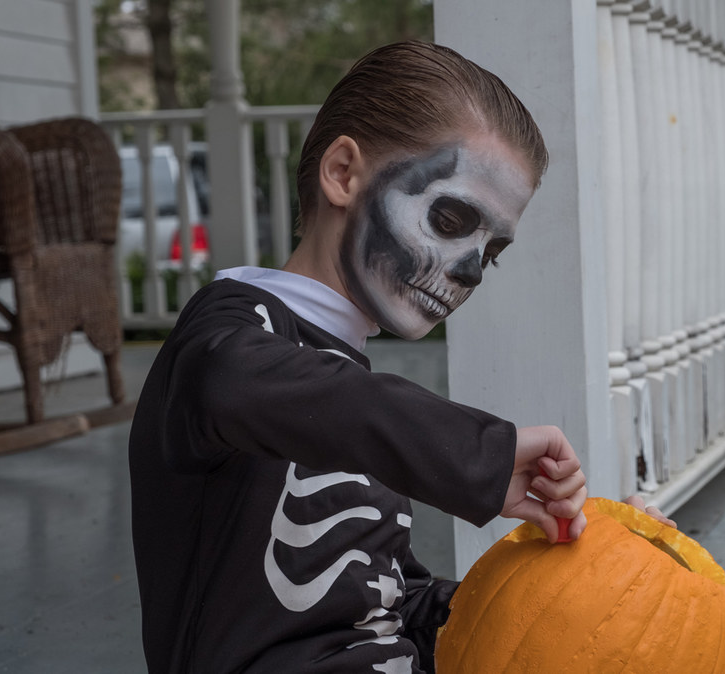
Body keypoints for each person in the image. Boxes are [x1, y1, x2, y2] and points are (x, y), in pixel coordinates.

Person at [128, 41, 617, 674]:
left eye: (491, 251)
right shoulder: (227, 336)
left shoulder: (355, 395)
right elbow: (238, 385)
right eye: (450, 217)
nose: (469, 270)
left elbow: (390, 600)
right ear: (342, 174)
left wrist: (591, 587)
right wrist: (478, 455)